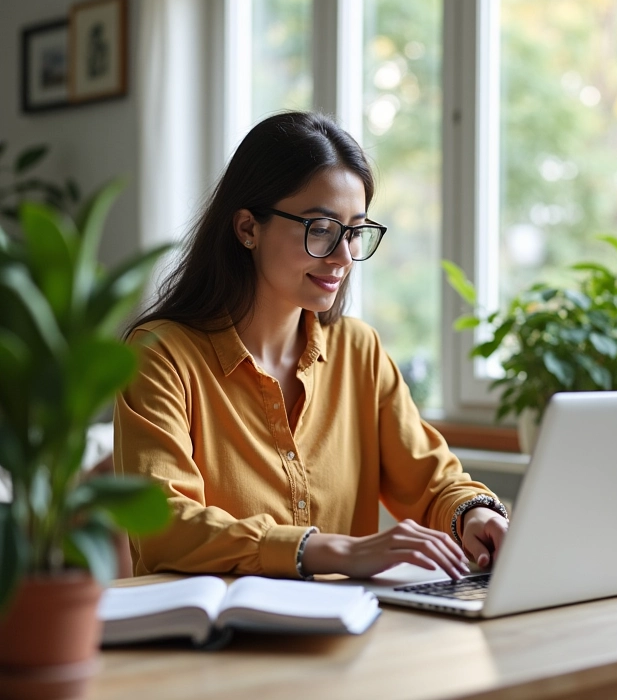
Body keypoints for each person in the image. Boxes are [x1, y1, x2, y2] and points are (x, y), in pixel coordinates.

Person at [114, 111, 508, 581]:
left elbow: (432, 479)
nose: (344, 257)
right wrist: (330, 551)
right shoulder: (160, 356)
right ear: (247, 228)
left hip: (346, 633)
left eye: (355, 231)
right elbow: (163, 526)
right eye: (321, 228)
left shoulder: (358, 351)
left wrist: (472, 514)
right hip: (212, 641)